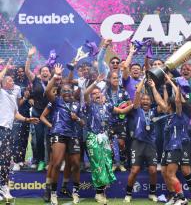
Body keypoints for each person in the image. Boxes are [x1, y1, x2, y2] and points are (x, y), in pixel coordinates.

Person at [83, 74, 133, 204]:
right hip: (93, 138)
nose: (96, 94)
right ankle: (99, 193)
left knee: (106, 164)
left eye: (98, 92)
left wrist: (134, 103)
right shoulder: (89, 105)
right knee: (98, 165)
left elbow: (122, 112)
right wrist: (95, 83)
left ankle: (101, 192)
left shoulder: (108, 106)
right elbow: (85, 93)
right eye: (94, 93)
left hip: (106, 139)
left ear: (101, 94)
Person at [42, 64, 85, 205]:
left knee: (76, 165)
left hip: (73, 135)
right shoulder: (56, 101)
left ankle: (76, 193)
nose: (67, 92)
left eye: (69, 90)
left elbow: (83, 123)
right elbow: (48, 90)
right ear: (61, 93)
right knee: (57, 163)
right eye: (64, 91)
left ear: (72, 92)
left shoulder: (76, 104)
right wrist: (55, 77)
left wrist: (77, 119)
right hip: (59, 133)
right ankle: (53, 193)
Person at [0, 59, 39, 203]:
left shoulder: (11, 96)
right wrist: (6, 67)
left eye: (12, 80)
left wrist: (28, 120)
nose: (12, 82)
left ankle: (3, 187)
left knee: (4, 160)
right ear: (3, 83)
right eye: (9, 80)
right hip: (0, 129)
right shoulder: (0, 92)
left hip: (7, 131)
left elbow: (15, 114)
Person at [124, 79, 163, 203]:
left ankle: (152, 193)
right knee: (135, 170)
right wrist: (142, 82)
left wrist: (154, 87)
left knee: (152, 170)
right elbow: (137, 94)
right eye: (143, 99)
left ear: (150, 102)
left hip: (151, 144)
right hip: (138, 143)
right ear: (140, 102)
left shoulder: (154, 111)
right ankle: (128, 194)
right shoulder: (136, 109)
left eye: (147, 100)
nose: (145, 101)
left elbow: (161, 103)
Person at [160, 75, 189, 205]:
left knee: (171, 174)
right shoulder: (169, 117)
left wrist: (176, 85)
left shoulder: (178, 115)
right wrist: (157, 87)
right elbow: (164, 100)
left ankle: (182, 198)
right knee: (164, 173)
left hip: (175, 147)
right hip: (167, 148)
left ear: (170, 105)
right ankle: (174, 196)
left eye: (167, 103)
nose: (165, 104)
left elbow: (177, 101)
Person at [25, 46, 52, 171]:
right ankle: (41, 160)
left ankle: (51, 161)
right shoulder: (35, 80)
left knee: (51, 137)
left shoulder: (53, 82)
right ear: (40, 74)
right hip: (36, 113)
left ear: (50, 73)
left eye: (47, 71)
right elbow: (26, 71)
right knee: (39, 138)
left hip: (50, 114)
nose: (45, 72)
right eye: (43, 71)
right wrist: (29, 57)